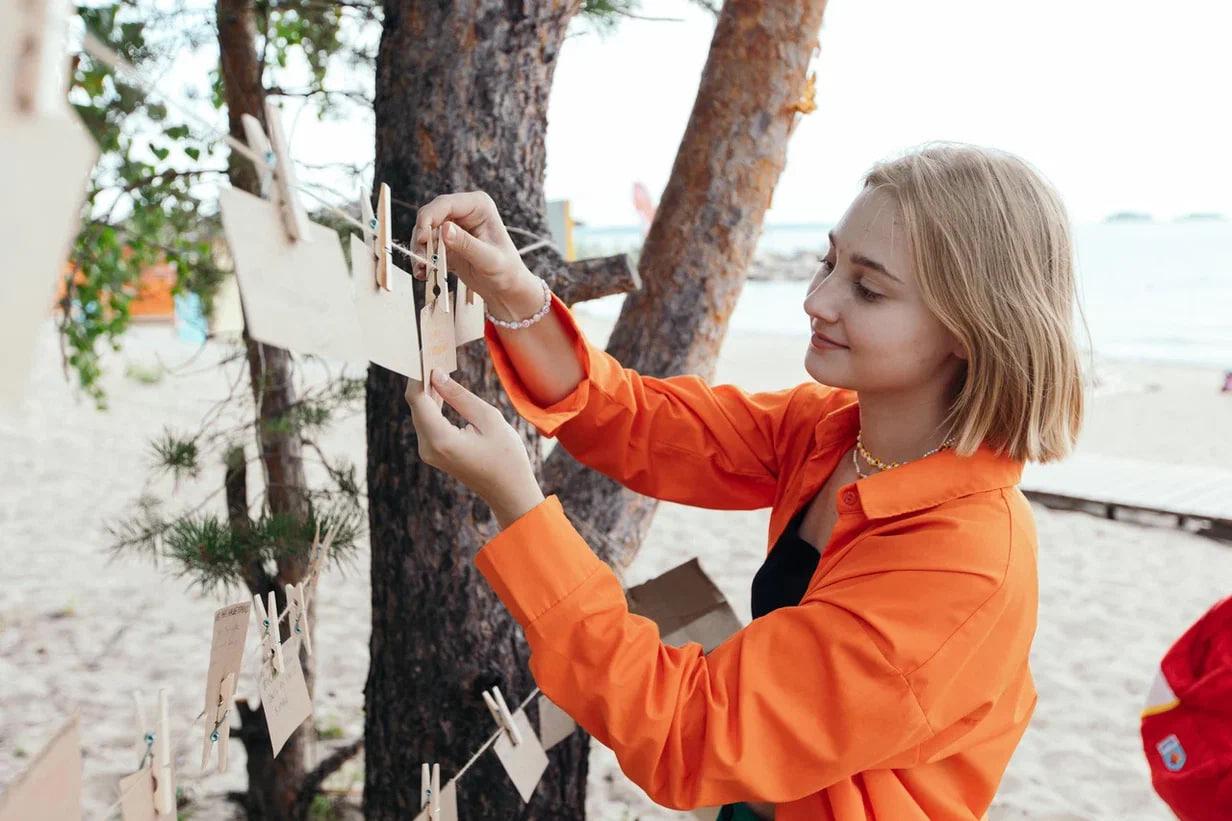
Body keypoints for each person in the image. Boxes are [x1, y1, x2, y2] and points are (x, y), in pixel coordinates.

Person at [403, 142, 1085, 819]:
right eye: (828, 261)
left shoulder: (964, 561)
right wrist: (513, 292)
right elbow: (638, 423)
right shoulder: (835, 429)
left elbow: (688, 733)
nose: (817, 300)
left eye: (868, 288)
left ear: (971, 328)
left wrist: (517, 505)